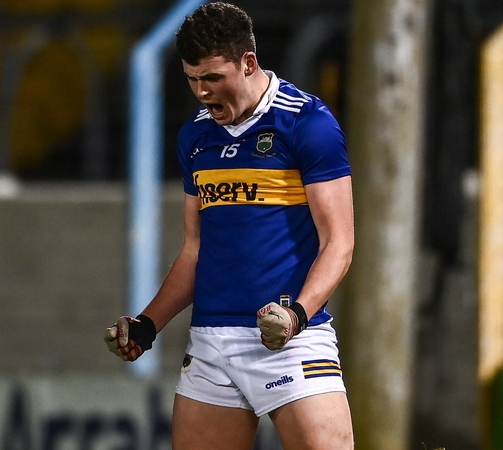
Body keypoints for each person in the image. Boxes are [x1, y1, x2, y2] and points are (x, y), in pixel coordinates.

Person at [104, 2, 355, 449]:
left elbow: (338, 243)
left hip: (291, 342)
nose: (201, 91)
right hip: (212, 344)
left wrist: (296, 315)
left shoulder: (307, 123)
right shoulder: (195, 136)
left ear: (248, 63)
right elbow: (194, 252)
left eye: (212, 78)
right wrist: (147, 324)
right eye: (192, 79)